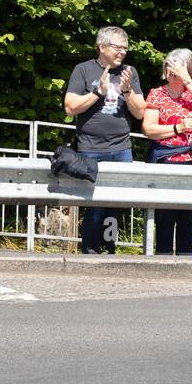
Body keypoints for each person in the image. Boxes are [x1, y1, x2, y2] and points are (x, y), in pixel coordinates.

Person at [63, 26, 145, 253]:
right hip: (90, 148)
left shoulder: (130, 72)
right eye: (118, 47)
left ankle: (109, 249)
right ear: (102, 46)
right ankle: (89, 250)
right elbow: (70, 108)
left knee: (116, 204)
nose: (123, 52)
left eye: (125, 48)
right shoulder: (84, 70)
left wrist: (128, 92)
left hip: (121, 148)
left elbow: (140, 113)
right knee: (94, 205)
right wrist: (98, 92)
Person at [143, 48, 192, 255]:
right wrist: (176, 129)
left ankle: (186, 257)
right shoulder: (157, 94)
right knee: (165, 215)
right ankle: (163, 257)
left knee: (186, 216)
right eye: (168, 65)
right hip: (166, 159)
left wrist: (187, 80)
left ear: (188, 70)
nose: (170, 70)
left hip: (191, 161)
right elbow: (149, 129)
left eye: (176, 66)